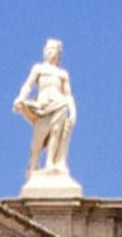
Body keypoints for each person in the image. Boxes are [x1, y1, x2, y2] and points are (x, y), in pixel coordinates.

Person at [13, 39, 77, 184]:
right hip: (42, 107)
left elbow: (68, 96)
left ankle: (50, 162)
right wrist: (20, 98)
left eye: (53, 49)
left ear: (58, 53)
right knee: (38, 139)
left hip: (59, 104)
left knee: (56, 132)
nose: (49, 52)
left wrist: (73, 112)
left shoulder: (62, 74)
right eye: (48, 49)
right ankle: (34, 165)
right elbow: (28, 85)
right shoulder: (38, 69)